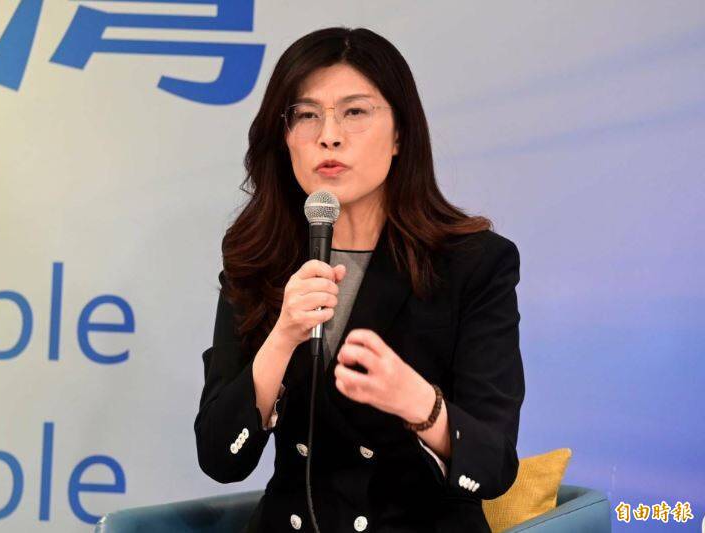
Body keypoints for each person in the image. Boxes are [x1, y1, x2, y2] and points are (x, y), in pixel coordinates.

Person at [194, 27, 525, 533]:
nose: (329, 135)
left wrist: (419, 403)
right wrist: (282, 338)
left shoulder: (473, 264)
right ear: (284, 138)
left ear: (400, 135)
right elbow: (221, 458)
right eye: (306, 114)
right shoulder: (258, 258)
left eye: (354, 112)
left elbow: (494, 468)